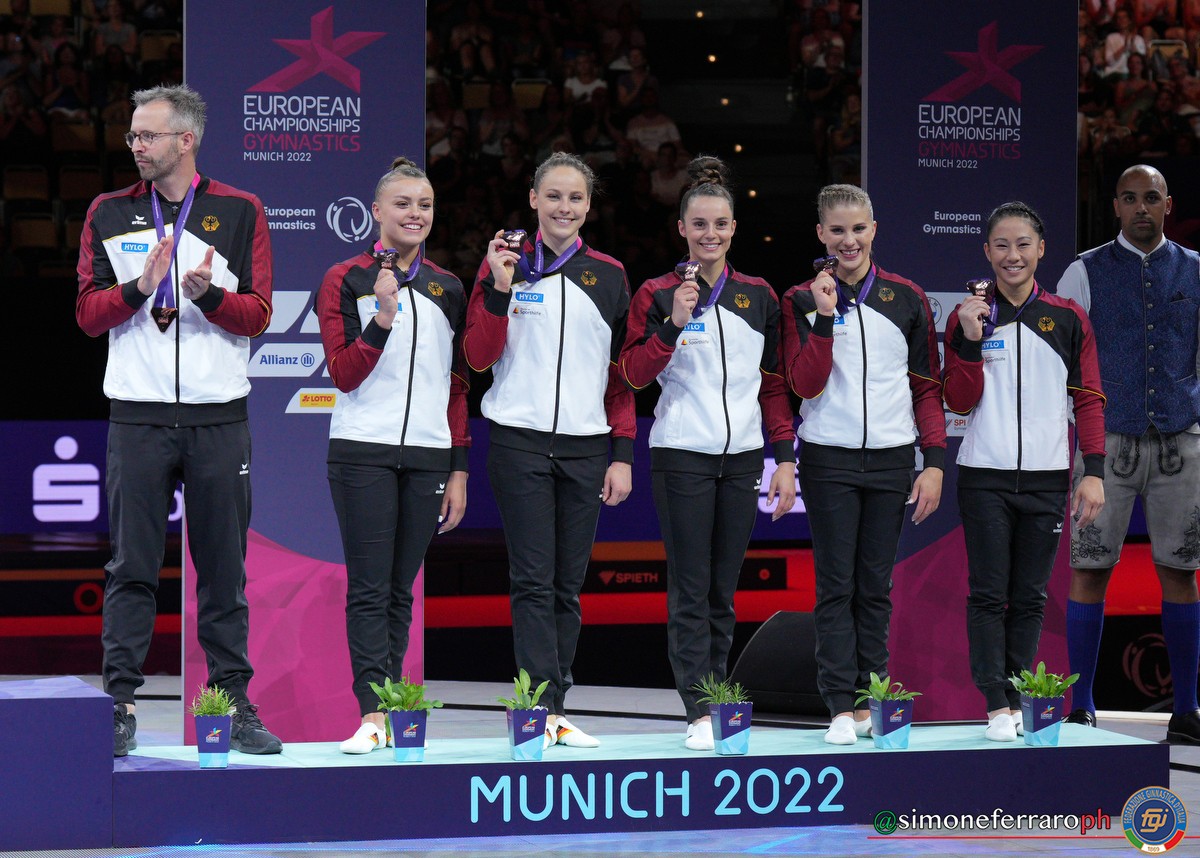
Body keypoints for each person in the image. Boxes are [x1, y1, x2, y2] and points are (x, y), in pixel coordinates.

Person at [75, 84, 280, 757]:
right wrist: (139, 288)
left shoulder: (240, 210)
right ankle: (119, 705)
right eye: (133, 135)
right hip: (137, 418)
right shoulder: (108, 211)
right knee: (131, 566)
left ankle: (233, 703)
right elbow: (87, 316)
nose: (136, 145)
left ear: (185, 140)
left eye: (149, 135)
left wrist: (210, 295)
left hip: (218, 418)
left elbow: (259, 315)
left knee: (223, 570)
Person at [619, 156, 796, 750]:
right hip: (682, 456)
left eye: (720, 224)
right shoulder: (656, 292)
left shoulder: (758, 295)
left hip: (743, 458)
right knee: (691, 589)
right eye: (699, 224)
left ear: (734, 228)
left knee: (724, 589)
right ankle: (698, 707)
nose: (710, 233)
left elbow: (773, 385)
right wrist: (672, 325)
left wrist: (784, 458)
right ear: (682, 229)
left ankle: (718, 695)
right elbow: (633, 374)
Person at [464, 151, 635, 750]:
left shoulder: (610, 274)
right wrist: (499, 287)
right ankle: (541, 708)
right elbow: (478, 357)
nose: (565, 207)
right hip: (519, 445)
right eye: (554, 195)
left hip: (587, 449)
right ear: (534, 199)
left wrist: (621, 452)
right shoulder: (505, 262)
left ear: (589, 206)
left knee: (567, 585)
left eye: (576, 198)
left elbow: (620, 375)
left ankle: (555, 704)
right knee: (534, 581)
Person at [781, 183, 946, 745]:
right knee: (836, 585)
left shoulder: (907, 297)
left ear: (874, 230)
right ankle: (839, 706)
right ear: (821, 234)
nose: (848, 240)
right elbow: (804, 384)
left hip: (892, 459)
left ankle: (872, 698)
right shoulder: (801, 299)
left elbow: (926, 388)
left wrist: (933, 462)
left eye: (858, 229)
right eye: (837, 230)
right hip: (828, 458)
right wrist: (825, 317)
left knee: (875, 587)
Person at [316, 157, 470, 755]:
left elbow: (456, 387)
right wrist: (381, 317)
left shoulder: (448, 287)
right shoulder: (344, 278)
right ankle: (371, 712)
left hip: (429, 455)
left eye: (424, 205)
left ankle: (396, 702)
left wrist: (458, 468)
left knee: (401, 589)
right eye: (403, 204)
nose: (415, 214)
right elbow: (343, 374)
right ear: (377, 211)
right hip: (363, 452)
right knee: (369, 588)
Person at [943, 202, 1106, 742]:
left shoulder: (1067, 317)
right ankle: (996, 703)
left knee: (1032, 596)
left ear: (1041, 249)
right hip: (984, 476)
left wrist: (1093, 471)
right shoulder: (967, 315)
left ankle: (1016, 696)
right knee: (989, 593)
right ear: (986, 251)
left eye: (1022, 244)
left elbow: (1088, 398)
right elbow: (957, 401)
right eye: (1001, 245)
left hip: (1046, 478)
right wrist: (969, 340)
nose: (1012, 255)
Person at [1056, 165, 1200, 742]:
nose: (1142, 207)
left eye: (1151, 198)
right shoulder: (1083, 271)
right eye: (1131, 198)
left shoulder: (1195, 268)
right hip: (1106, 444)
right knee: (1089, 568)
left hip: (1180, 441)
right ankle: (1082, 706)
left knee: (1181, 571)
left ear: (1168, 203)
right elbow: (1062, 357)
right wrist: (1080, 430)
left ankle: (1186, 711)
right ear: (1115, 205)